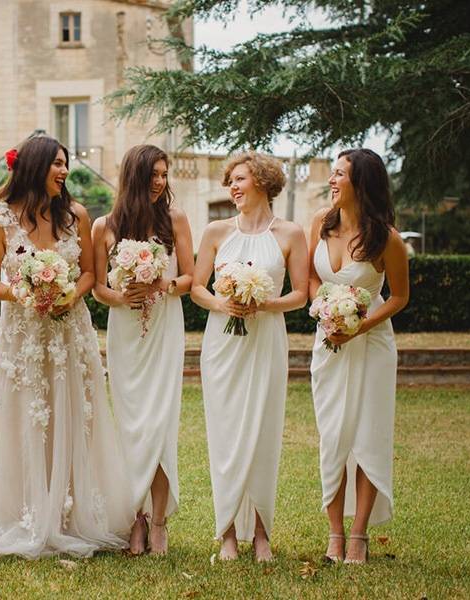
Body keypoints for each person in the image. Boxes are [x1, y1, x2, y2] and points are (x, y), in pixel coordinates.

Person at [0, 135, 134, 558]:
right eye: (57, 163)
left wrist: (69, 295)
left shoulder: (75, 215)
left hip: (70, 332)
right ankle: (25, 510)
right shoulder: (1, 219)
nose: (64, 171)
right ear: (37, 167)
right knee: (24, 416)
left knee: (72, 413)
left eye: (66, 163)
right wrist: (26, 293)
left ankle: (71, 513)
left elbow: (91, 274)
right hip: (23, 338)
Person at [191, 151, 309, 562]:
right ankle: (226, 532)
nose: (233, 188)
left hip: (266, 342)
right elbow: (197, 288)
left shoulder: (291, 233)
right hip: (222, 343)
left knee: (263, 432)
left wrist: (264, 304)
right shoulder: (216, 231)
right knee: (224, 435)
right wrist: (223, 305)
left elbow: (300, 294)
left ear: (261, 181)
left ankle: (261, 534)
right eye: (230, 182)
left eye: (239, 179)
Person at [91, 145, 194, 555]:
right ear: (134, 176)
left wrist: (162, 285)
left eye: (164, 175)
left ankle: (160, 521)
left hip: (165, 328)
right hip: (125, 331)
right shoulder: (104, 226)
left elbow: (191, 277)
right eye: (153, 174)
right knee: (130, 424)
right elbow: (99, 288)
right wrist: (121, 297)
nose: (160, 182)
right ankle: (134, 517)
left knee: (160, 424)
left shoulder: (175, 219)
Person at [309, 148, 409, 564]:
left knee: (366, 437)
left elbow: (399, 297)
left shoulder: (387, 238)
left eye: (340, 174)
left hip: (371, 347)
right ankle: (333, 532)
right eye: (332, 173)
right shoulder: (319, 223)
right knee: (333, 436)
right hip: (328, 345)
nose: (332, 180)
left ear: (361, 182)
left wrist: (358, 326)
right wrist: (325, 310)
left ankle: (358, 535)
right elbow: (311, 277)